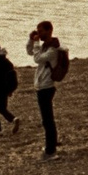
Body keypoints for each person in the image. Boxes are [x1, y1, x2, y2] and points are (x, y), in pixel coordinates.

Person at [26, 20, 66, 159]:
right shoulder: (46, 46)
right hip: (42, 86)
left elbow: (37, 59)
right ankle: (51, 144)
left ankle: (50, 151)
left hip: (46, 86)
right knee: (47, 119)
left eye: (41, 31)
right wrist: (31, 41)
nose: (39, 33)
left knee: (47, 120)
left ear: (49, 31)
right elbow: (30, 52)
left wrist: (36, 43)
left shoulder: (52, 49)